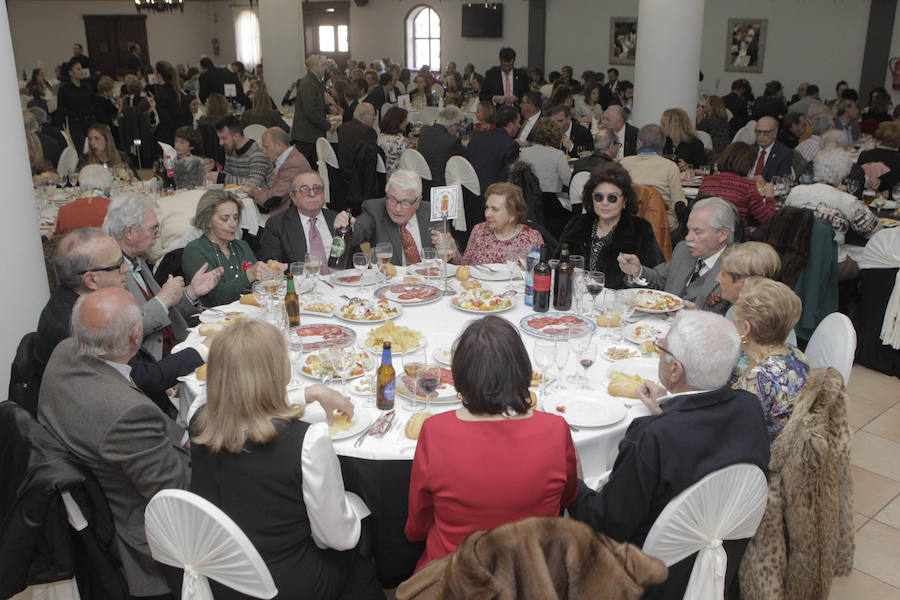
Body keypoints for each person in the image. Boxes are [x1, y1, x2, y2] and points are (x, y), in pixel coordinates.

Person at [567, 310, 770, 600]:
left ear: (675, 370)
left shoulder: (653, 437)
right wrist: (671, 407)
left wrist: (574, 481)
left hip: (646, 577)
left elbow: (605, 526)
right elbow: (705, 445)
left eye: (662, 349)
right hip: (716, 564)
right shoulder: (750, 408)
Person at [189, 320, 382, 599]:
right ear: (279, 371)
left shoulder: (199, 420)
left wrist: (312, 393)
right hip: (285, 584)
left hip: (221, 575)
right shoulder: (307, 441)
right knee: (361, 535)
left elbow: (246, 400)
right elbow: (339, 538)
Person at [38, 287, 190, 598]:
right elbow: (177, 494)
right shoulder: (125, 413)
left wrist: (184, 436)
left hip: (104, 481)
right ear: (136, 338)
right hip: (145, 538)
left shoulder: (65, 351)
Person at [406, 316, 576, 569]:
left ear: (460, 375)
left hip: (454, 579)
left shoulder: (435, 431)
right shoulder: (555, 429)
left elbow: (417, 526)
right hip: (533, 578)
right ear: (521, 370)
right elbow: (567, 499)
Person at [104, 194, 223, 360]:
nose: (158, 235)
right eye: (153, 229)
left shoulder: (138, 261)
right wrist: (163, 299)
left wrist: (191, 293)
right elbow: (124, 331)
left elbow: (164, 312)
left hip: (176, 346)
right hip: (153, 363)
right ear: (130, 232)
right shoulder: (110, 272)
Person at [618, 196, 735, 314]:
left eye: (697, 232)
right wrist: (637, 271)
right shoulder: (683, 250)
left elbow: (740, 325)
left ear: (722, 234)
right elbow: (659, 278)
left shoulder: (738, 267)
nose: (688, 237)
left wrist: (702, 320)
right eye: (688, 230)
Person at [558, 162, 664, 289]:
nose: (605, 203)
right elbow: (557, 265)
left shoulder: (640, 230)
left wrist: (635, 273)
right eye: (598, 197)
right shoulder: (576, 225)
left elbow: (656, 280)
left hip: (620, 305)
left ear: (624, 200)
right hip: (577, 300)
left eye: (612, 198)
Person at [729, 277, 809, 442]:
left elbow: (732, 433)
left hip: (763, 457)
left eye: (735, 310)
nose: (731, 317)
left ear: (745, 328)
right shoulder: (795, 353)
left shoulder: (758, 378)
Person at [785, 148, 879, 280]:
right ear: (842, 175)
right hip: (830, 263)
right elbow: (872, 230)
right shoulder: (845, 199)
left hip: (795, 257)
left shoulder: (795, 191)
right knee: (868, 259)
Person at [182, 190, 282, 306]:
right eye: (225, 219)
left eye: (235, 218)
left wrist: (271, 273)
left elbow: (258, 286)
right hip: (213, 319)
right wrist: (249, 274)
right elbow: (216, 298)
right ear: (208, 221)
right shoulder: (195, 250)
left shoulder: (241, 246)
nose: (233, 224)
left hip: (248, 312)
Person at [334, 169, 434, 266]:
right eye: (392, 200)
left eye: (405, 203)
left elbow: (444, 257)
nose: (397, 209)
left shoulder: (431, 212)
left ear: (417, 202)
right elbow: (358, 232)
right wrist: (347, 228)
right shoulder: (375, 210)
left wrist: (448, 246)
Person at [431, 182, 543, 265]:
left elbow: (536, 277)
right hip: (479, 293)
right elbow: (466, 267)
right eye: (487, 208)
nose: (487, 214)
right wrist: (452, 249)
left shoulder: (531, 238)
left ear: (512, 215)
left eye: (495, 209)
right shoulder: (479, 230)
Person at [258, 171, 341, 266]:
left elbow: (354, 259)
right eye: (304, 189)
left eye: (317, 188)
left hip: (338, 279)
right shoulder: (277, 224)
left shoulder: (337, 219)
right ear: (293, 197)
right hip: (300, 279)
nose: (312, 194)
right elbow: (271, 263)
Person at [697, 142, 775, 238]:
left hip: (707, 238)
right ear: (748, 164)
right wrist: (770, 197)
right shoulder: (747, 186)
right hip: (735, 240)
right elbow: (768, 218)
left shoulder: (707, 181)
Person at [620, 124, 686, 233]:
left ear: (640, 142)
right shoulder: (670, 167)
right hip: (662, 226)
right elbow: (677, 203)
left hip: (630, 224)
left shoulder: (624, 163)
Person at [150, 156, 209, 264]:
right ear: (204, 180)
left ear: (176, 180)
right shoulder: (220, 201)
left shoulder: (161, 205)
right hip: (217, 266)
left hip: (173, 270)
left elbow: (153, 252)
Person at [244, 127, 311, 214]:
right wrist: (256, 188)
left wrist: (251, 190)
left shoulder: (292, 165)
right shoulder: (290, 158)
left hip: (290, 217)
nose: (264, 151)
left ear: (279, 145)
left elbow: (272, 200)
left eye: (266, 147)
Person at [207, 116, 273, 188]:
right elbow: (227, 175)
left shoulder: (258, 153)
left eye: (223, 138)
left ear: (236, 136)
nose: (220, 143)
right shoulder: (230, 150)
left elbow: (254, 184)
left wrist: (221, 178)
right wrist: (213, 169)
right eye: (219, 138)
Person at [291, 55, 334, 167]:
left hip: (310, 134)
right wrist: (327, 125)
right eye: (323, 65)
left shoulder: (314, 81)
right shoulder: (309, 83)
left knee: (313, 167)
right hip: (307, 135)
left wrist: (327, 109)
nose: (325, 68)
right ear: (314, 67)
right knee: (304, 167)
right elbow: (310, 111)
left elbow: (314, 106)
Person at [467, 106, 521, 192]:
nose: (519, 126)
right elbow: (509, 178)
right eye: (518, 122)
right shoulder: (511, 145)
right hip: (495, 193)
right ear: (510, 125)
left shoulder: (477, 136)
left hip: (472, 192)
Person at [520, 117, 571, 201]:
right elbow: (567, 181)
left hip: (529, 200)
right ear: (556, 134)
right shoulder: (558, 154)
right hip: (551, 200)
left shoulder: (524, 153)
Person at [52, 165, 111, 235]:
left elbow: (57, 241)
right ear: (109, 189)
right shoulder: (116, 210)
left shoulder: (64, 211)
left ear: (80, 186)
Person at [416, 107, 465, 186]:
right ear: (452, 125)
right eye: (457, 126)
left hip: (423, 182)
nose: (458, 129)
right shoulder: (452, 141)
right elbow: (463, 162)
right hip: (442, 184)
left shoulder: (424, 131)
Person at [55, 60, 97, 152]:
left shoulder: (87, 87)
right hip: (75, 123)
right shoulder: (64, 89)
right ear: (70, 72)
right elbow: (61, 109)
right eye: (78, 69)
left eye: (81, 68)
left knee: (95, 147)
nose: (81, 71)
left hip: (89, 121)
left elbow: (94, 105)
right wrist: (60, 127)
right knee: (80, 148)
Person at [154, 60, 193, 145]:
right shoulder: (180, 92)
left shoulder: (161, 94)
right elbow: (188, 115)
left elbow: (165, 119)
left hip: (169, 136)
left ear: (159, 76)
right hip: (184, 133)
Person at [857, 120, 900, 193]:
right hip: (891, 199)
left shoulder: (864, 155)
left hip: (864, 195)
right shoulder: (897, 159)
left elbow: (857, 177)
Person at [751, 116, 794, 183]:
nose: (761, 136)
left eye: (766, 132)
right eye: (758, 132)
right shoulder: (747, 150)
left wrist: (765, 184)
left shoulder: (784, 154)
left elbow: (782, 183)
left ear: (775, 133)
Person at [377, 106, 409, 175]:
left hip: (384, 176)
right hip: (399, 176)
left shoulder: (379, 137)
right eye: (405, 120)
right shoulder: (401, 141)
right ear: (398, 122)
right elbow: (407, 162)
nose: (407, 123)